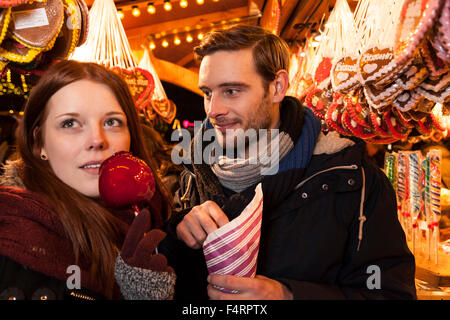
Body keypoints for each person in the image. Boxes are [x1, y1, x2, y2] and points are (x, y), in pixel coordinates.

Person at [160, 25, 417, 300]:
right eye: (208, 93)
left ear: (277, 87)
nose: (214, 110)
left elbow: (388, 291)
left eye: (232, 91)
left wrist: (289, 295)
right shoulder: (191, 175)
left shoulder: (353, 181)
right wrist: (176, 236)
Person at [0, 60, 175, 300]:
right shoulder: (9, 235)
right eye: (70, 123)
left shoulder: (157, 222)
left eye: (112, 122)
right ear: (39, 142)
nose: (97, 139)